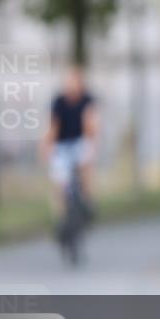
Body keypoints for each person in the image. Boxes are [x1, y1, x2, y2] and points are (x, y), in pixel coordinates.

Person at [41, 65, 98, 232]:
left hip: (81, 141)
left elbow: (92, 124)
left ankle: (87, 200)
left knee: (86, 160)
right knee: (59, 181)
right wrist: (46, 147)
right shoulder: (58, 102)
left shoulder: (88, 100)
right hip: (62, 144)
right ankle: (60, 218)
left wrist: (93, 142)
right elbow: (53, 127)